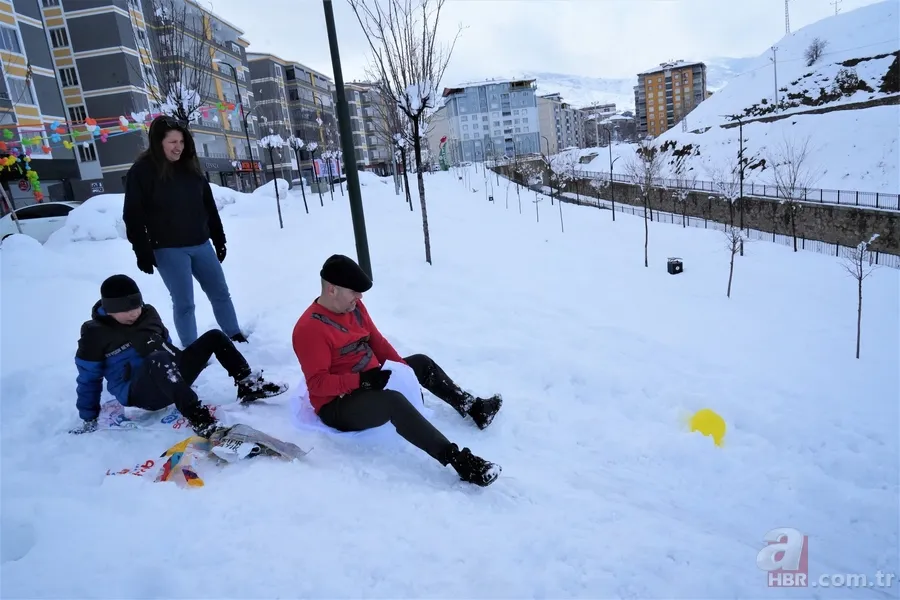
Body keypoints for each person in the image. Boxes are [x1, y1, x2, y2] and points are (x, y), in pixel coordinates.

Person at [291, 254, 503, 487]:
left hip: (369, 376)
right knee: (393, 402)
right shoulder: (310, 329)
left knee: (420, 363)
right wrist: (361, 381)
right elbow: (318, 385)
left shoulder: (354, 308)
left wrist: (404, 373)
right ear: (332, 290)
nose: (360, 297)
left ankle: (474, 408)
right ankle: (459, 461)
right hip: (338, 404)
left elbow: (377, 342)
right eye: (354, 292)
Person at [70, 274, 286, 436]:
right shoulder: (95, 334)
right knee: (157, 359)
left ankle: (248, 384)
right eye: (125, 309)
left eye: (136, 305)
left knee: (214, 336)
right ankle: (198, 418)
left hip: (169, 377)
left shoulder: (148, 315)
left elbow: (167, 346)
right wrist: (88, 417)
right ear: (109, 308)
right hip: (139, 393)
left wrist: (178, 377)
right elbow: (88, 379)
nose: (133, 312)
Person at [123, 114, 246, 348]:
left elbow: (208, 206)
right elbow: (133, 214)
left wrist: (219, 238)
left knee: (220, 293)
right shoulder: (142, 172)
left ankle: (235, 335)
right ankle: (193, 348)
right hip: (168, 249)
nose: (178, 147)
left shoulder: (190, 168)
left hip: (201, 244)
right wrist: (141, 250)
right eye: (172, 142)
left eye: (181, 142)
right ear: (158, 142)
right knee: (184, 303)